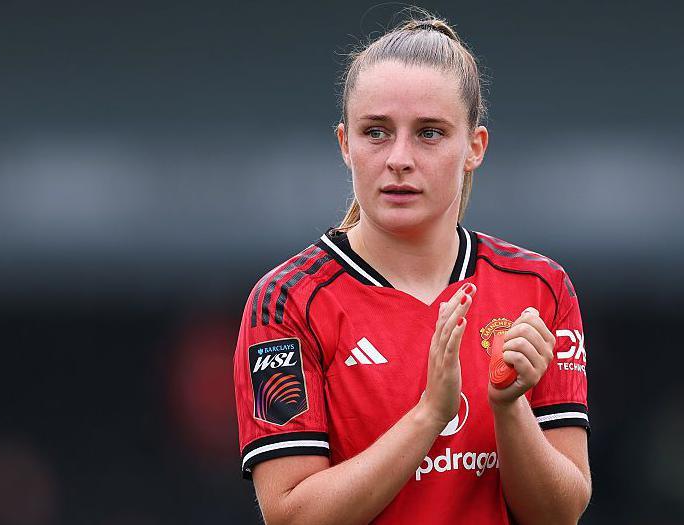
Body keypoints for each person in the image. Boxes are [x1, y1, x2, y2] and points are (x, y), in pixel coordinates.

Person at [233, 14, 591, 525]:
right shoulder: (285, 302)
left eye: (429, 133)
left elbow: (559, 515)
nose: (399, 158)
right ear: (344, 144)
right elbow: (291, 515)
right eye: (376, 132)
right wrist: (428, 415)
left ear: (474, 147)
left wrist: (510, 407)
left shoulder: (540, 289)